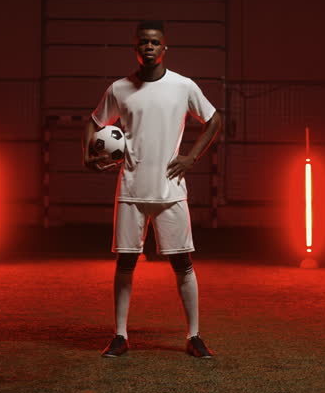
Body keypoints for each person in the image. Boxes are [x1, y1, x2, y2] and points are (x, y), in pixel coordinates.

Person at [82, 20, 222, 358]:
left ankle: (194, 336)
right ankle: (119, 336)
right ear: (136, 47)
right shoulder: (119, 89)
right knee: (126, 262)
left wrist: (191, 157)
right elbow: (94, 123)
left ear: (164, 48)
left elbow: (214, 120)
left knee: (183, 263)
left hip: (170, 190)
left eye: (155, 42)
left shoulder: (183, 86)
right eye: (143, 42)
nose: (149, 47)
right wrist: (88, 156)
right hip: (131, 188)